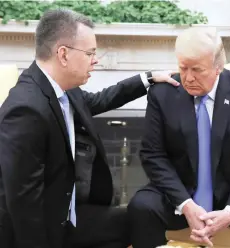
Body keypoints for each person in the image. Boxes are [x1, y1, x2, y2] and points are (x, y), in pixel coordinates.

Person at [0, 9, 179, 248]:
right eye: (90, 53)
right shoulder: (26, 109)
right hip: (40, 230)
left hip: (66, 215)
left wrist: (148, 78)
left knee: (138, 218)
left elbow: (98, 100)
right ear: (63, 54)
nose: (96, 60)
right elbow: (23, 202)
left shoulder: (61, 88)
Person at [128, 27, 230, 248]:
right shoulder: (162, 94)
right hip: (181, 190)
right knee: (141, 206)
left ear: (218, 67)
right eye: (183, 68)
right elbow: (153, 155)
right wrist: (186, 204)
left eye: (197, 69)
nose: (188, 77)